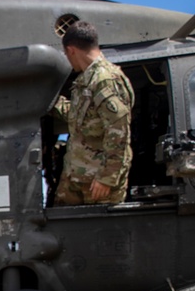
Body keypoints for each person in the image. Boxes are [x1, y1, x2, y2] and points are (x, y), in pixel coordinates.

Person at [52, 20, 135, 206]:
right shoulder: (86, 81)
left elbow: (119, 132)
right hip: (77, 176)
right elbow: (77, 116)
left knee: (100, 232)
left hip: (98, 183)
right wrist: (49, 100)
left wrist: (107, 177)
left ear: (71, 50)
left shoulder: (105, 80)